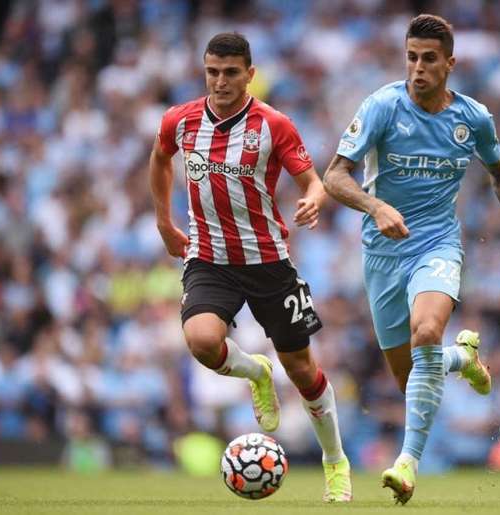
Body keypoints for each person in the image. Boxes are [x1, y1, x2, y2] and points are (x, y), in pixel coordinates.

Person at [323, 14, 500, 504]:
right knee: (410, 378)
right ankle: (460, 358)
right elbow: (334, 177)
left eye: (428, 59)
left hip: (437, 244)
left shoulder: (473, 118)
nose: (417, 68)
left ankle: (406, 465)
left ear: (450, 63)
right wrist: (376, 205)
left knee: (427, 331)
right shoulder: (382, 105)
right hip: (382, 253)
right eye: (411, 58)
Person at [149, 32, 351, 502]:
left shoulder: (274, 125)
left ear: (249, 75)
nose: (220, 81)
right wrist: (164, 221)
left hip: (268, 261)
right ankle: (255, 373)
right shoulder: (179, 121)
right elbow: (159, 159)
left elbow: (313, 181)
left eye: (230, 72)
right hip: (208, 258)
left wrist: (312, 201)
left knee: (302, 371)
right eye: (212, 72)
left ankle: (335, 461)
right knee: (201, 341)